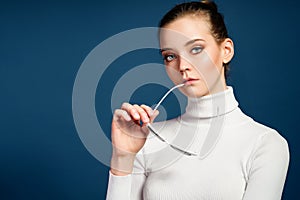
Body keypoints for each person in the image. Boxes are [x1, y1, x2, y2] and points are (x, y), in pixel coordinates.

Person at [106, 1, 290, 199]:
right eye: (170, 56)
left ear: (226, 50)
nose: (183, 65)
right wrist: (122, 158)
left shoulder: (264, 144)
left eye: (195, 49)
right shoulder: (148, 140)